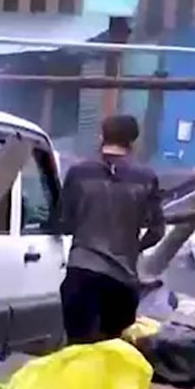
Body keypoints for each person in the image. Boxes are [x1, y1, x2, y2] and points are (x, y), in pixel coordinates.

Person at [59, 114, 165, 344]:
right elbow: (157, 230)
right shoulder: (146, 178)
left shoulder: (78, 173)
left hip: (81, 272)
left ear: (101, 137)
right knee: (112, 348)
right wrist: (132, 248)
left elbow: (64, 221)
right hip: (122, 278)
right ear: (134, 141)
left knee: (76, 347)